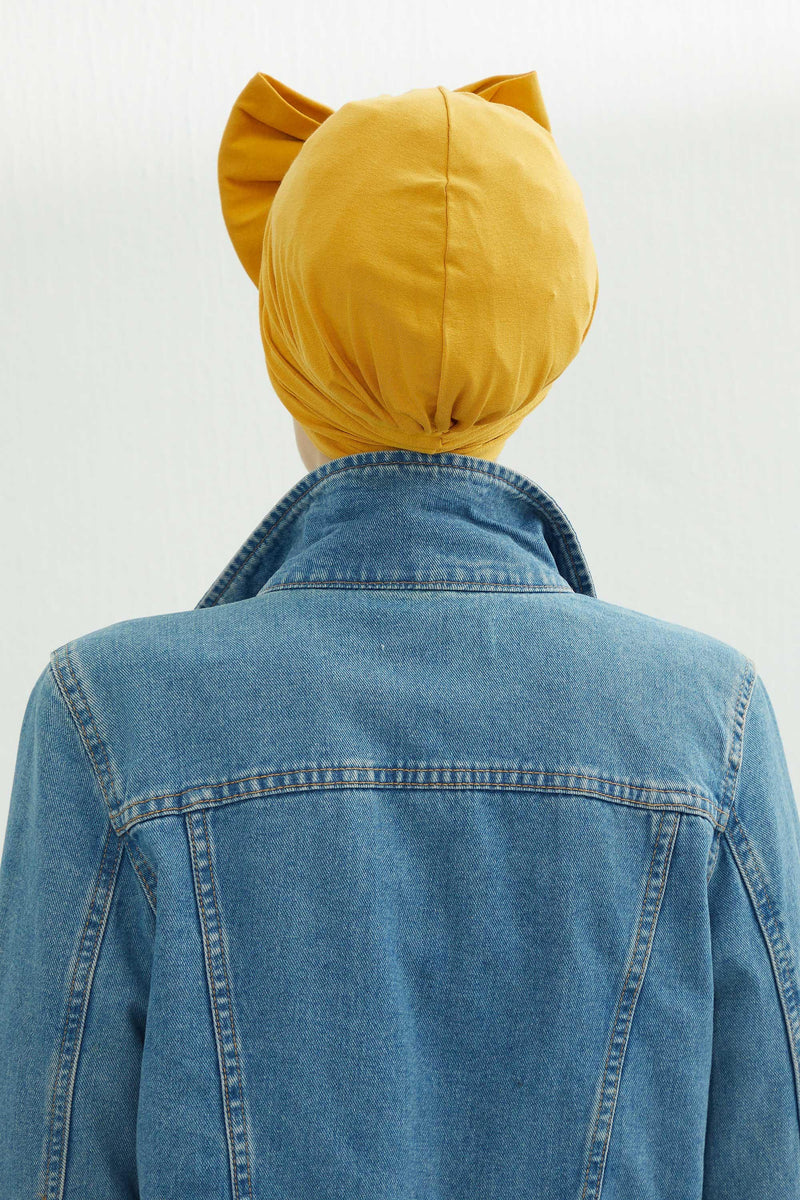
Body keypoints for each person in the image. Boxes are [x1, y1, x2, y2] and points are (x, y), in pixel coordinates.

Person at [0, 69, 798, 1200]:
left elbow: (45, 1168)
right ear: (547, 339)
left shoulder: (105, 722)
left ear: (291, 344)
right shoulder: (706, 727)